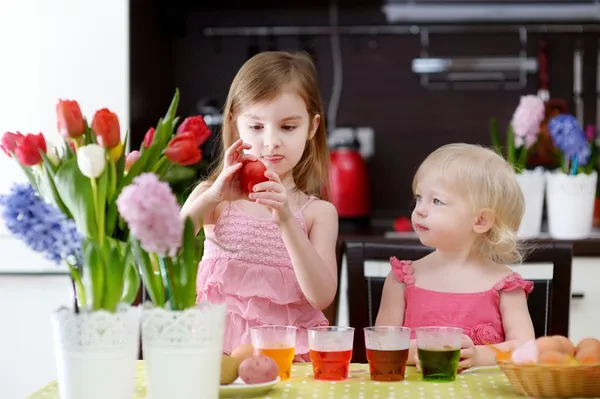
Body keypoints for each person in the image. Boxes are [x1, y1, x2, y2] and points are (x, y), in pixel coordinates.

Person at [180, 51, 338, 361]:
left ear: (312, 127)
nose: (271, 141)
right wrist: (213, 196)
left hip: (289, 362)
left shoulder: (318, 214)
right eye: (256, 127)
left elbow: (321, 297)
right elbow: (167, 248)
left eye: (288, 127)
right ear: (235, 125)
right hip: (214, 357)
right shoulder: (213, 199)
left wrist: (286, 221)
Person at [376, 143, 535, 370]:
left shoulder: (506, 286)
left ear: (480, 221)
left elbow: (526, 349)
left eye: (437, 201)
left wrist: (480, 356)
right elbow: (382, 345)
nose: (419, 209)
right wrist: (416, 353)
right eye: (419, 197)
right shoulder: (400, 280)